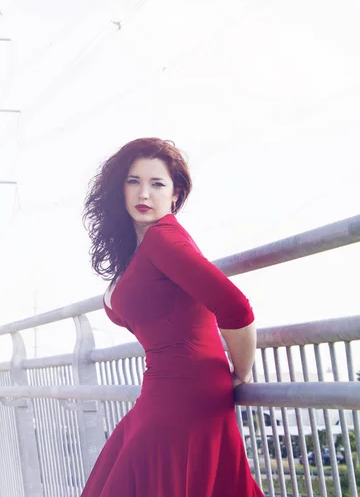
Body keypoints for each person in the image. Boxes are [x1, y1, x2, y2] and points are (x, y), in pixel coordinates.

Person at [81, 137, 263, 497]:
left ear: (176, 195)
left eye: (157, 183)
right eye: (133, 181)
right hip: (162, 395)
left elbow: (236, 307)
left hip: (186, 398)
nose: (143, 194)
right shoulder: (143, 247)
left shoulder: (165, 239)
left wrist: (241, 372)